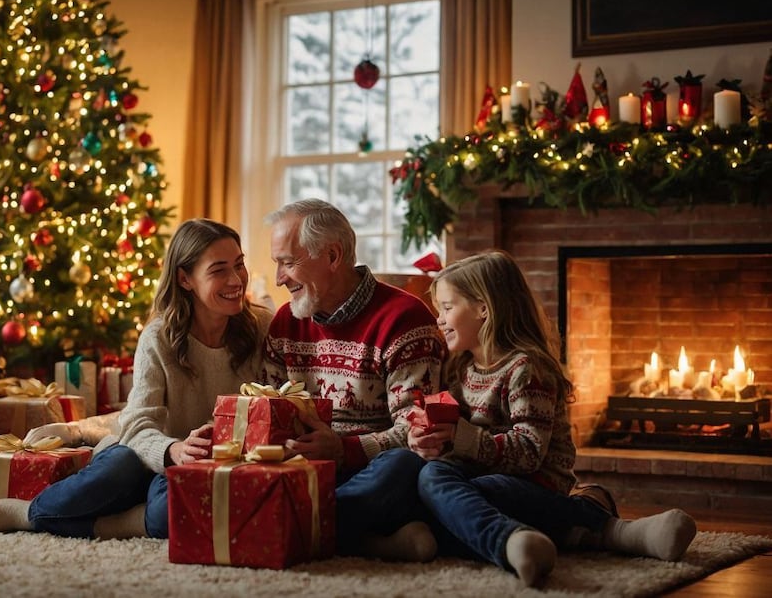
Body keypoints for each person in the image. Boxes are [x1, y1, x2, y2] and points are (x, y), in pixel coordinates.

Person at [409, 250, 697, 587]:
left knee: (445, 490)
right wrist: (430, 440)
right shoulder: (461, 370)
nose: (439, 319)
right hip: (482, 484)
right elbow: (461, 445)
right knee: (435, 488)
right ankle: (581, 529)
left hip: (532, 486)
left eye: (447, 308)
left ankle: (519, 540)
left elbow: (529, 453)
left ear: (484, 308)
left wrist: (459, 438)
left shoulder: (526, 369)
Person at [0, 218, 274, 539]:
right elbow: (138, 425)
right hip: (153, 451)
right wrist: (173, 450)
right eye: (219, 270)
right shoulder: (159, 337)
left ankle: (116, 523)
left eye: (239, 264)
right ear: (185, 279)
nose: (237, 279)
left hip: (215, 465)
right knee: (113, 474)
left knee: (175, 515)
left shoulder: (262, 326)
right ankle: (31, 513)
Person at [261, 198, 448, 562]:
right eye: (277, 264)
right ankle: (367, 541)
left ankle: (296, 528)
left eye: (288, 262)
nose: (279, 278)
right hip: (302, 471)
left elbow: (415, 433)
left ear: (333, 256)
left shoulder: (404, 319)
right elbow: (268, 409)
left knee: (404, 468)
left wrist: (343, 450)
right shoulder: (285, 322)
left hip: (367, 470)